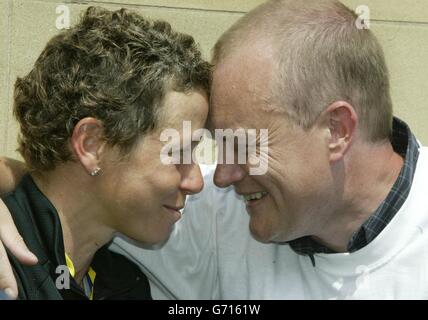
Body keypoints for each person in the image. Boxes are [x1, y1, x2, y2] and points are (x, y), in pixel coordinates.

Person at [1, 0, 428, 299]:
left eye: (241, 144)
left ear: (337, 129)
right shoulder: (206, 214)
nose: (216, 177)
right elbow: (76, 189)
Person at [0, 6, 210, 299]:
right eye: (178, 153)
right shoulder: (8, 273)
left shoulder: (124, 282)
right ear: (91, 145)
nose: (196, 181)